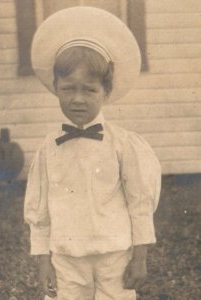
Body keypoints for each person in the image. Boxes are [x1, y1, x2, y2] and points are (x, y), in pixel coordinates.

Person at [24, 7, 161, 300]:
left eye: (89, 90)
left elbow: (139, 203)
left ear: (106, 91)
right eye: (68, 89)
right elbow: (40, 211)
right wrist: (43, 260)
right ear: (55, 88)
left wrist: (140, 256)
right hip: (66, 255)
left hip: (115, 253)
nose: (77, 99)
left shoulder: (123, 144)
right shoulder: (48, 147)